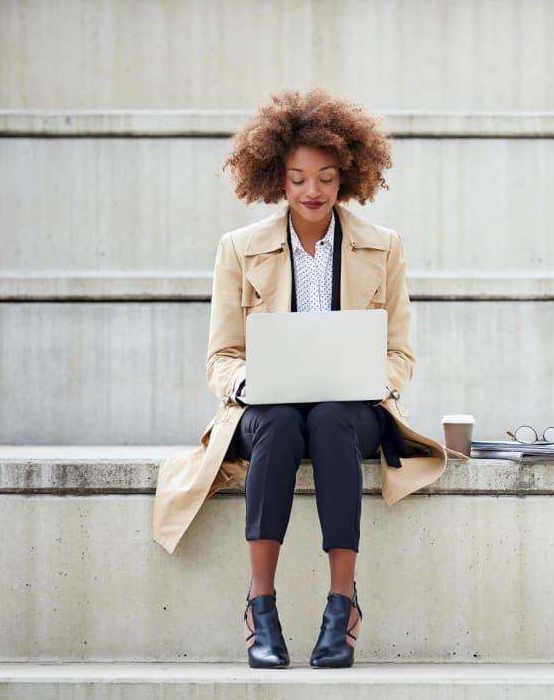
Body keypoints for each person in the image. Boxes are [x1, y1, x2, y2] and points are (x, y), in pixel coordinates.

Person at [152, 88, 457, 669]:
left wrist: (374, 379)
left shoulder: (382, 247)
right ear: (275, 179)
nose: (311, 191)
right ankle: (259, 605)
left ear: (348, 176)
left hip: (352, 409)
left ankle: (342, 604)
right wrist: (251, 383)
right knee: (282, 422)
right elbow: (221, 356)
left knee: (332, 417)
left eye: (325, 177)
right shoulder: (239, 250)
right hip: (265, 411)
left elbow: (401, 353)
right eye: (296, 179)